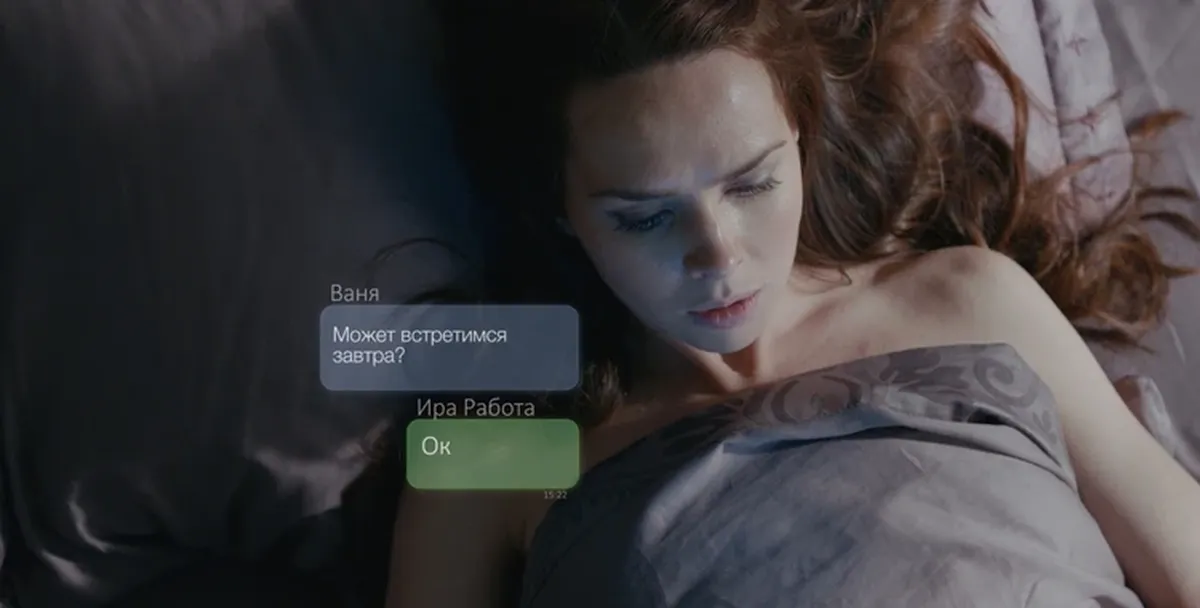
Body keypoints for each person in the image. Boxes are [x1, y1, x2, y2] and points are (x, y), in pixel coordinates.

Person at [386, 0, 1200, 606]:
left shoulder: (969, 301)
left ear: (803, 135)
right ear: (558, 207)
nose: (720, 257)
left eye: (752, 183)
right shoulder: (493, 452)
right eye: (644, 216)